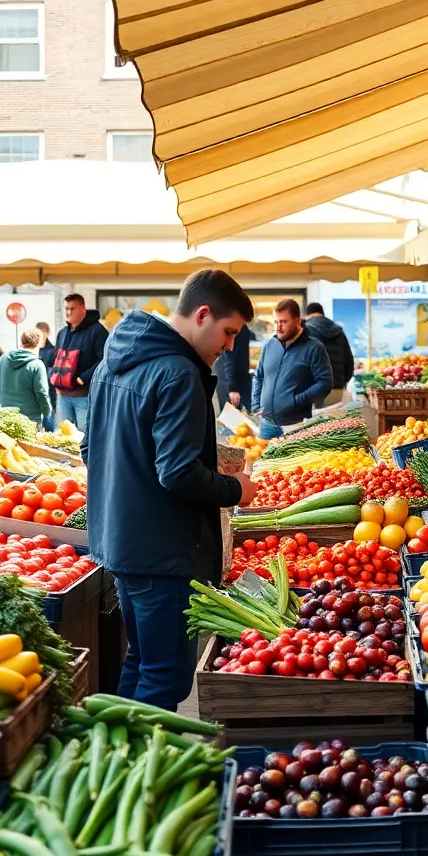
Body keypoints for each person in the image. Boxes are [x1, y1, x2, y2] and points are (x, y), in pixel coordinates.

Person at [82, 269, 256, 711]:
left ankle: (116, 760)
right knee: (167, 679)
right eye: (229, 332)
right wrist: (236, 488)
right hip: (164, 553)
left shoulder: (111, 361)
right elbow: (177, 473)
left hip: (121, 542)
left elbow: (90, 449)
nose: (230, 346)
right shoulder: (178, 373)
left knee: (141, 662)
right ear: (202, 315)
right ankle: (144, 775)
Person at [251, 299, 333, 439]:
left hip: (296, 426)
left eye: (283, 322)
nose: (278, 328)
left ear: (297, 321)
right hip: (266, 425)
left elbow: (325, 383)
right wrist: (256, 404)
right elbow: (259, 376)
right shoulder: (270, 345)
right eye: (276, 322)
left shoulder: (314, 348)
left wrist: (295, 401)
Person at [50, 294, 109, 432]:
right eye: (66, 309)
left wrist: (84, 378)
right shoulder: (62, 333)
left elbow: (105, 359)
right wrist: (52, 374)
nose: (69, 312)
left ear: (82, 308)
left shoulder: (98, 331)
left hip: (84, 396)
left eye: (72, 308)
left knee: (85, 434)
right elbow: (55, 359)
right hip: (61, 396)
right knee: (62, 436)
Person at [0, 328, 52, 425]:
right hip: (30, 419)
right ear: (40, 343)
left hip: (5, 417)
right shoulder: (37, 365)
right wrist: (48, 413)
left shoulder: (2, 359)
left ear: (22, 341)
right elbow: (41, 393)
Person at [304, 302, 354, 407]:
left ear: (308, 314)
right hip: (336, 386)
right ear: (322, 313)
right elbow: (349, 361)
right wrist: (342, 382)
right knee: (331, 421)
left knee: (312, 422)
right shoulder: (339, 331)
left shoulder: (305, 330)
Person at [214, 321, 253, 411]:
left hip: (228, 380)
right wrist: (232, 388)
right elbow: (229, 356)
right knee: (234, 421)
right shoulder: (236, 325)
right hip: (233, 384)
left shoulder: (227, 323)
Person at [36, 321, 58, 431]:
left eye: (44, 332)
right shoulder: (34, 350)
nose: (42, 335)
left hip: (50, 390)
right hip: (36, 390)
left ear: (48, 333)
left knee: (50, 422)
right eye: (40, 332)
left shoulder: (53, 351)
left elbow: (54, 371)